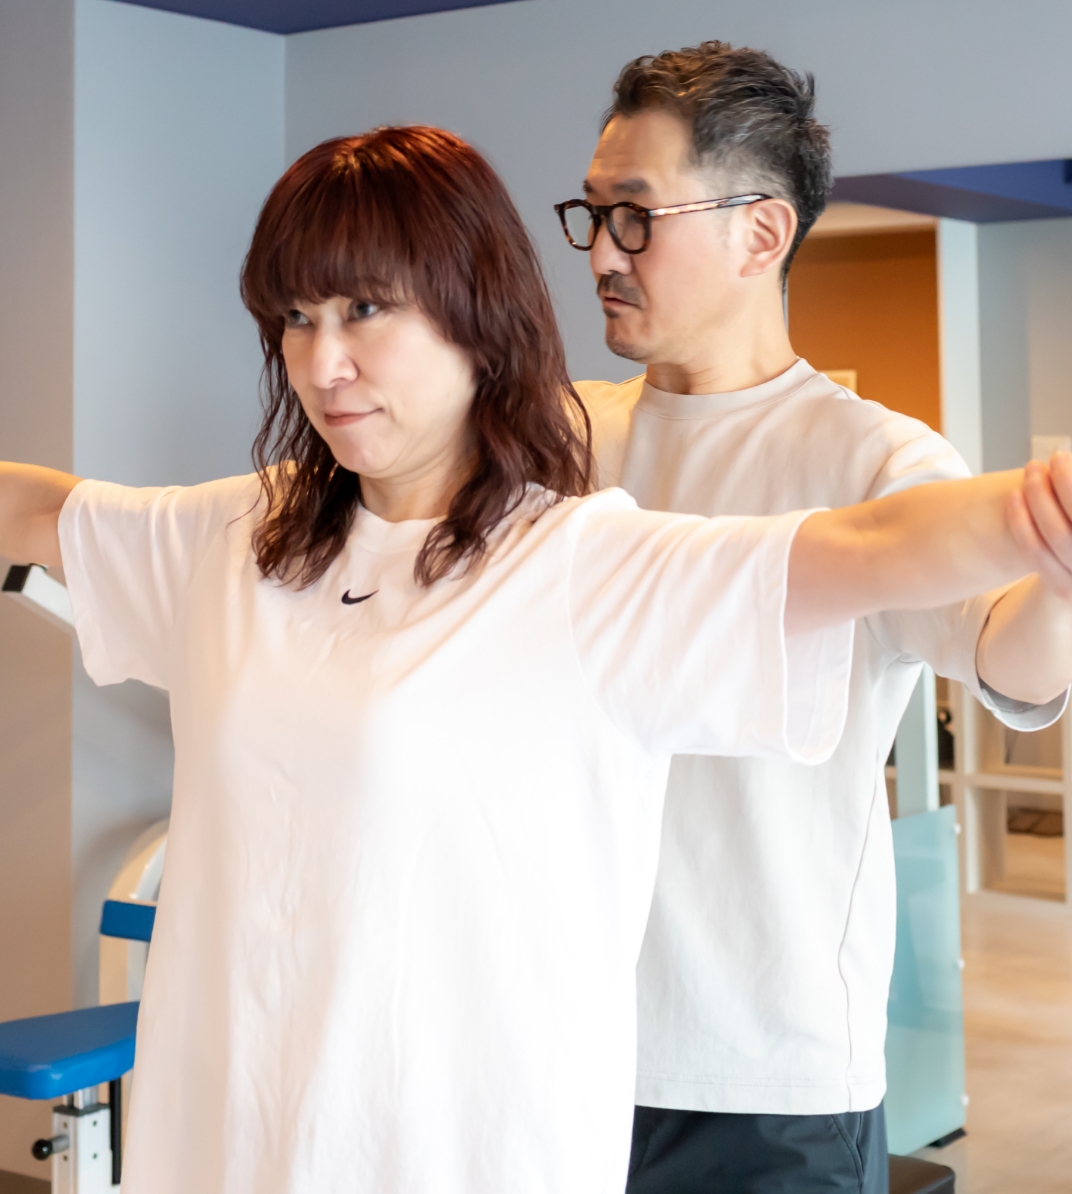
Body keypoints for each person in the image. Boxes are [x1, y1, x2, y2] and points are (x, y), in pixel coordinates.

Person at [0, 127, 1066, 1194]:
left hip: (577, 1116)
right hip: (229, 1143)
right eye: (296, 317)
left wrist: (1041, 511)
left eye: (365, 308)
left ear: (474, 313)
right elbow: (45, 512)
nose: (323, 363)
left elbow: (867, 547)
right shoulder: (248, 532)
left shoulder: (586, 557)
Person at [558, 42, 1072, 1194]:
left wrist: (1055, 578)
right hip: (564, 1046)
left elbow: (1010, 662)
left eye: (635, 215)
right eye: (590, 213)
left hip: (766, 1080)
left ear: (760, 233)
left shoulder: (874, 459)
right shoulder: (559, 440)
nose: (600, 252)